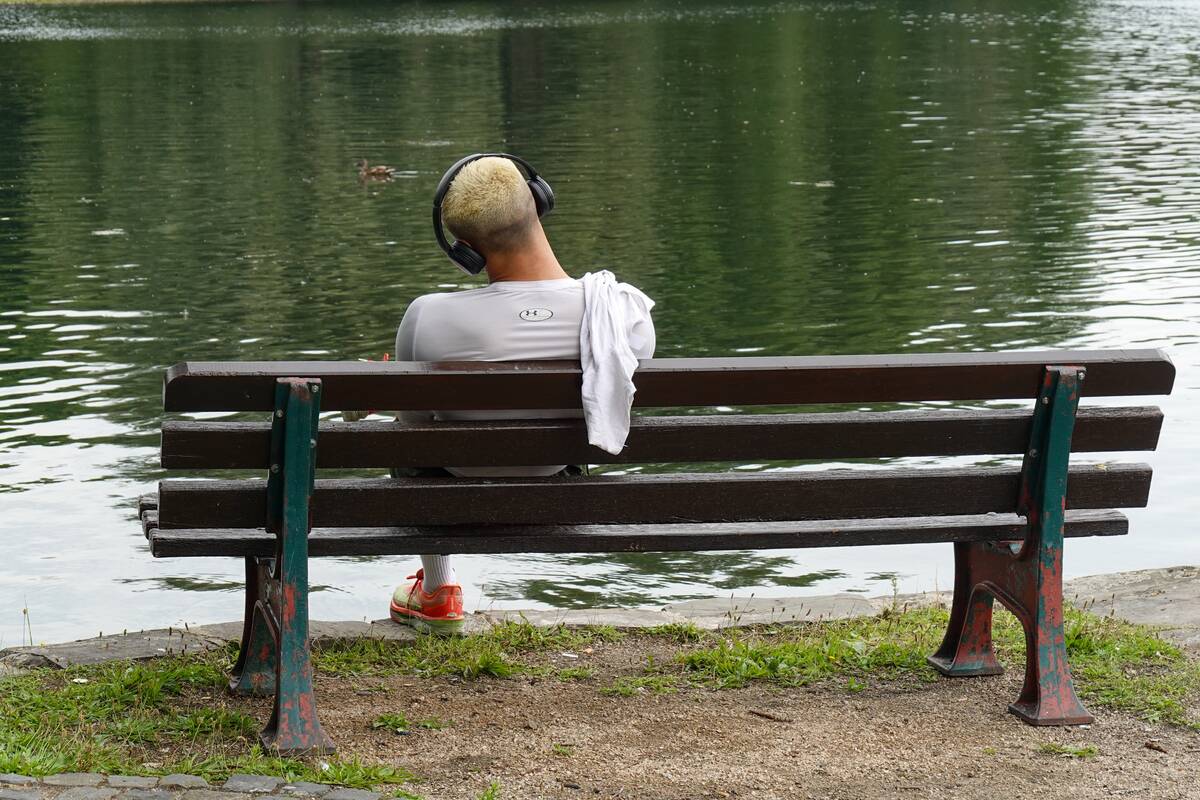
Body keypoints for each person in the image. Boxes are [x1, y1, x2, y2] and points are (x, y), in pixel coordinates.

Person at [386, 153, 656, 635]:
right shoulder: (623, 314)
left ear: (465, 251)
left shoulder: (427, 316)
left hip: (455, 491)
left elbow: (413, 425)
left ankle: (437, 591)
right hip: (562, 491)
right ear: (540, 201)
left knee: (407, 435)